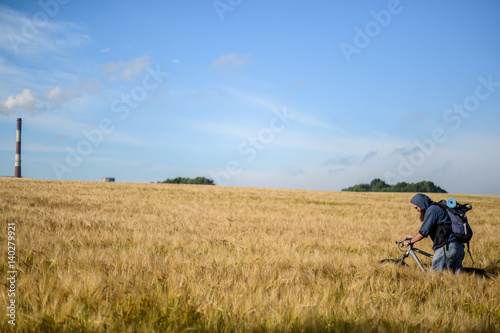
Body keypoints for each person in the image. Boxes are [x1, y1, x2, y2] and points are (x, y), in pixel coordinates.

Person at [404, 193, 465, 272]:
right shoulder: (438, 207)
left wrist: (410, 241)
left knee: (434, 279)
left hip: (446, 248)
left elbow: (423, 233)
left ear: (421, 204)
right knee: (456, 280)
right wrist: (413, 236)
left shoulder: (432, 210)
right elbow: (435, 230)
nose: (416, 210)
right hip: (458, 247)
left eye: (416, 207)